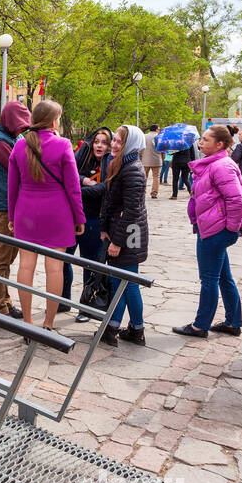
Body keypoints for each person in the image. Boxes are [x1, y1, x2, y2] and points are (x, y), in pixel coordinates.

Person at [8, 100, 84, 333]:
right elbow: (73, 186)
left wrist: (12, 215)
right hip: (57, 213)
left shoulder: (19, 146)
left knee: (25, 266)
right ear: (52, 121)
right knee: (55, 269)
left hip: (26, 211)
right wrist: (79, 217)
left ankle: (28, 321)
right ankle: (49, 323)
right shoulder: (63, 144)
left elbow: (12, 186)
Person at [173, 125, 242, 338]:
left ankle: (200, 325)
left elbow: (236, 200)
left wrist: (230, 229)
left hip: (215, 230)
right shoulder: (214, 164)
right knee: (223, 277)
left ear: (219, 145)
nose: (201, 143)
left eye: (206, 140)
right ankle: (233, 322)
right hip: (212, 228)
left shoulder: (221, 166)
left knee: (209, 280)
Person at [97, 124, 148, 346]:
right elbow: (111, 201)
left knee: (123, 283)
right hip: (123, 230)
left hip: (129, 233)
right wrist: (104, 227)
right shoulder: (120, 164)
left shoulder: (132, 169)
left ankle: (113, 328)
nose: (114, 144)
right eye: (114, 140)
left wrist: (117, 241)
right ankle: (136, 330)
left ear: (131, 145)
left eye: (120, 141)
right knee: (125, 282)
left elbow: (131, 211)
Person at [0, 102, 32, 319]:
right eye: (20, 124)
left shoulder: (14, 137)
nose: (23, 129)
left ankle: (6, 302)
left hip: (15, 206)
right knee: (1, 258)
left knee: (8, 258)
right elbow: (23, 167)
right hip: (3, 207)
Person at [63, 126, 111, 322]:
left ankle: (85, 307)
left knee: (89, 264)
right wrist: (84, 180)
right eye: (97, 142)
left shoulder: (111, 162)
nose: (99, 145)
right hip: (73, 216)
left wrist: (78, 189)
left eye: (104, 142)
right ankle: (62, 300)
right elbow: (69, 176)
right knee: (63, 258)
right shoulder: (82, 157)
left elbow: (105, 189)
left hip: (94, 220)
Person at [141, 124, 161, 199]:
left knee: (143, 177)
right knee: (156, 177)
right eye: (159, 129)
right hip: (156, 160)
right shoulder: (159, 137)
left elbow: (141, 148)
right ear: (156, 129)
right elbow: (162, 150)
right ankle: (154, 193)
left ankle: (143, 191)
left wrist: (140, 157)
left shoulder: (144, 136)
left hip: (145, 160)